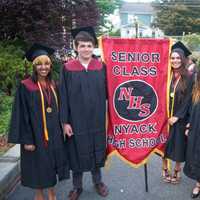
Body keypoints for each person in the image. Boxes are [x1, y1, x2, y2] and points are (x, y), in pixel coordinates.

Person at [8, 43, 69, 200]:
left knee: (51, 163)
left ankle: (52, 192)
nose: (44, 67)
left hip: (54, 134)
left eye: (47, 63)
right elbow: (21, 115)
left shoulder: (53, 84)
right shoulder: (26, 86)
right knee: (38, 166)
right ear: (34, 66)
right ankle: (39, 194)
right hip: (35, 134)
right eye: (39, 64)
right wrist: (27, 140)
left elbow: (62, 106)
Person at [59, 26, 108, 200]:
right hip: (76, 120)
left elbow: (111, 91)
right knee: (76, 153)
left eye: (89, 45)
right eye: (82, 46)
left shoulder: (101, 67)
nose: (86, 49)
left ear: (93, 46)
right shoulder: (68, 68)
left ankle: (98, 182)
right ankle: (77, 186)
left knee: (96, 150)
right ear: (76, 47)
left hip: (97, 120)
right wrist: (65, 122)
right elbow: (63, 97)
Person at [162, 41, 194, 184]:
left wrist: (177, 116)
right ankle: (164, 169)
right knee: (164, 144)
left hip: (180, 118)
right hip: (164, 116)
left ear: (182, 59)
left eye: (177, 58)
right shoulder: (165, 75)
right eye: (172, 58)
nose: (175, 60)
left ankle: (176, 169)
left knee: (179, 145)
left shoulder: (188, 76)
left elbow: (189, 99)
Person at [184, 71, 200, 198]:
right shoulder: (196, 89)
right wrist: (188, 125)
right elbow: (191, 109)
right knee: (197, 156)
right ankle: (199, 184)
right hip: (196, 129)